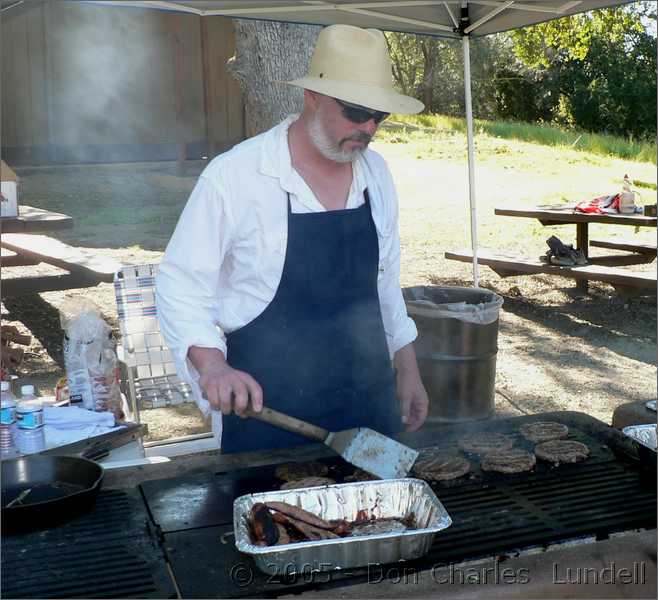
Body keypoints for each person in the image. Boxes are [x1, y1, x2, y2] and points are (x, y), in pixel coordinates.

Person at [156, 24, 429, 453]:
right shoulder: (236, 177)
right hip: (267, 411)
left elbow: (384, 282)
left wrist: (407, 367)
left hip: (368, 405)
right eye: (357, 112)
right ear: (312, 98)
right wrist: (212, 366)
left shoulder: (376, 176)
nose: (369, 129)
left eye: (380, 116)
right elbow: (180, 282)